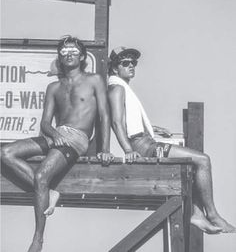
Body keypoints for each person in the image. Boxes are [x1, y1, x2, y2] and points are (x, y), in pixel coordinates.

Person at [1, 36, 114, 252]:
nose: (68, 54)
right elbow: (45, 122)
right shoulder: (54, 86)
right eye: (64, 52)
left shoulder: (94, 80)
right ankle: (50, 191)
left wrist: (105, 149)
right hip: (56, 135)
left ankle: (38, 238)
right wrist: (54, 133)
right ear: (60, 58)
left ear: (81, 57)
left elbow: (104, 115)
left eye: (73, 51)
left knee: (41, 175)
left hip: (77, 137)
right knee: (6, 152)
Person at [107, 46, 236, 234]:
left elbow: (128, 120)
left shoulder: (122, 87)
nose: (131, 66)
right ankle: (213, 214)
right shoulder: (117, 88)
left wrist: (153, 128)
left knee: (193, 163)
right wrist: (128, 151)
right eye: (125, 63)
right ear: (114, 68)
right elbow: (116, 122)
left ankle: (198, 215)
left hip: (145, 141)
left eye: (133, 62)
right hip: (142, 146)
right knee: (203, 160)